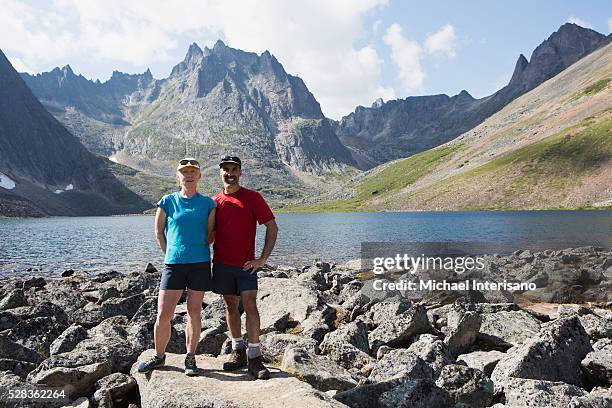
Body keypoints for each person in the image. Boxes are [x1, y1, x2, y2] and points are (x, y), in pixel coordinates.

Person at [137, 157, 216, 376]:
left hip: (199, 264)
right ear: (177, 176)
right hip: (173, 265)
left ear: (199, 176)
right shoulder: (167, 201)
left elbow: (210, 234)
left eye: (193, 171)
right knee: (163, 315)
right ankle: (159, 356)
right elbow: (158, 232)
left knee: (194, 313)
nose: (189, 175)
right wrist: (169, 253)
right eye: (184, 172)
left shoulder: (208, 204)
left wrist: (195, 249)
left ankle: (190, 358)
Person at [212, 155, 278, 379]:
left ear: (240, 172)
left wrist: (262, 260)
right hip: (221, 264)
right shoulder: (215, 202)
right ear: (220, 173)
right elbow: (208, 236)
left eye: (234, 169)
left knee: (250, 304)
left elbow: (272, 228)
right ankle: (237, 349)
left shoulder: (252, 198)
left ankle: (255, 357)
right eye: (226, 170)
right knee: (230, 305)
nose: (229, 173)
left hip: (246, 266)